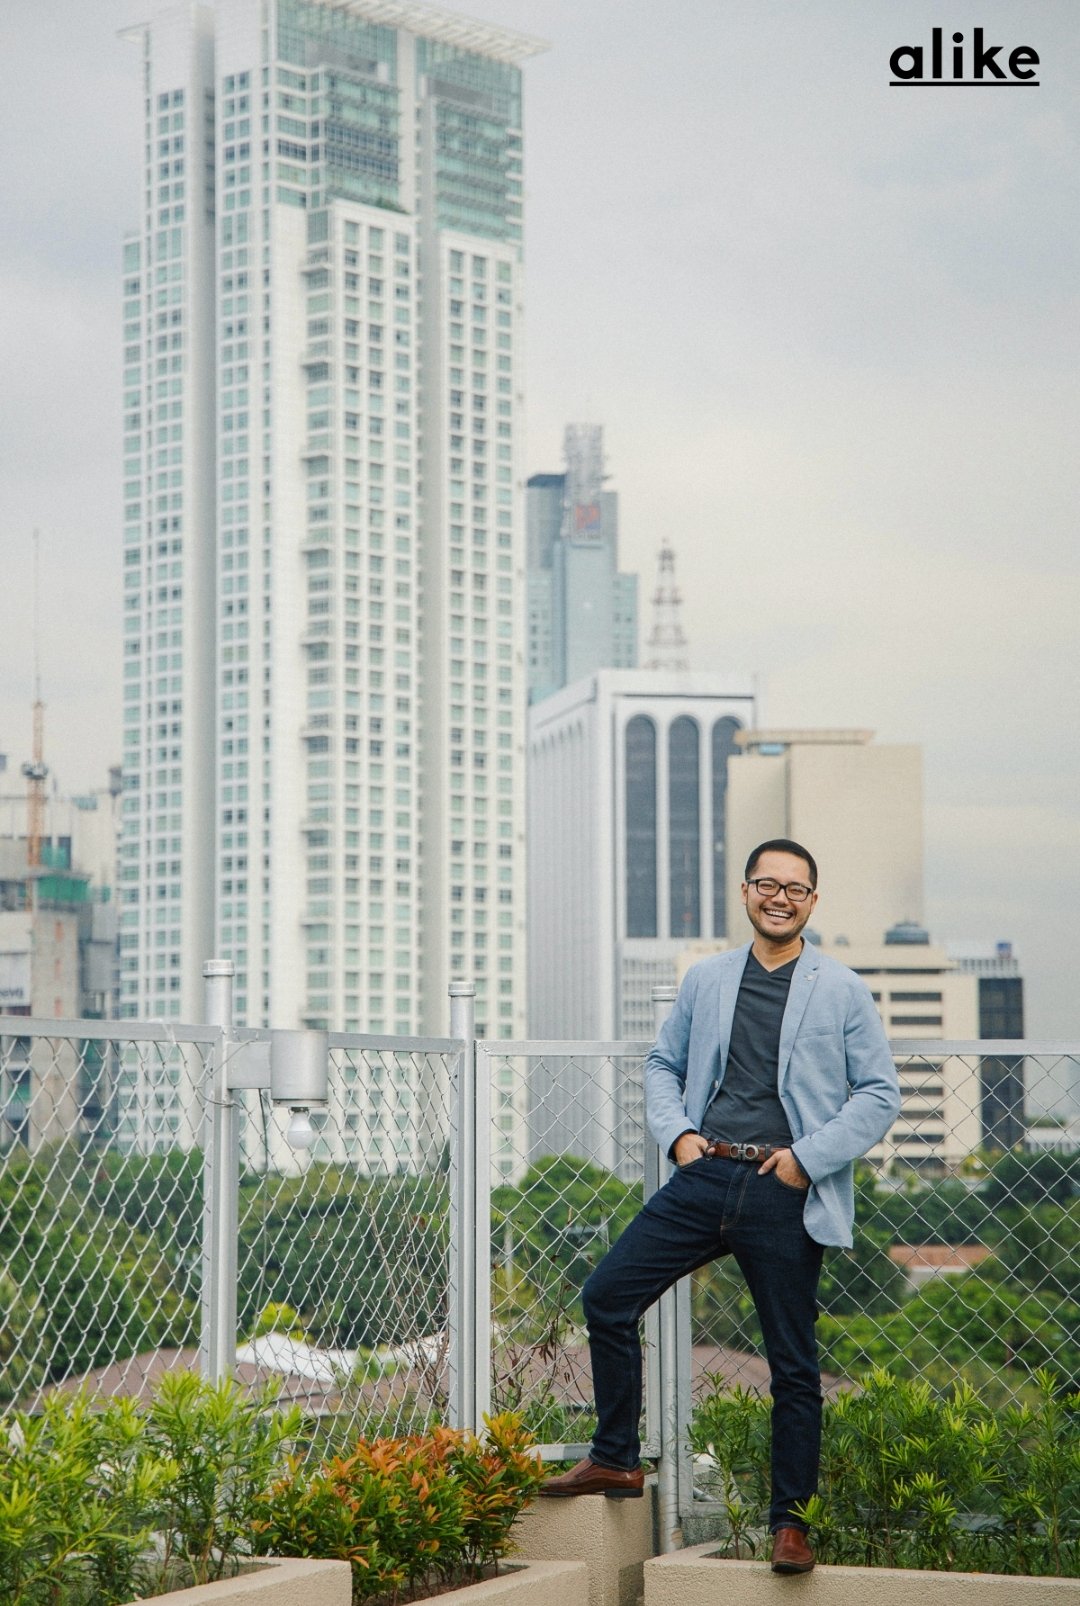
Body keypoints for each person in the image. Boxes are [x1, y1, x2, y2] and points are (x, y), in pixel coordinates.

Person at [540, 839, 901, 1574]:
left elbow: (879, 1093)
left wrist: (806, 1158)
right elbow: (663, 1063)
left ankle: (791, 1526)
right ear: (745, 892)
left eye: (795, 889)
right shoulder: (707, 978)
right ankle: (616, 1457)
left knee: (792, 1364)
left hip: (785, 1185)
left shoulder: (841, 988)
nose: (780, 897)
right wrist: (678, 1136)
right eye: (767, 884)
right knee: (607, 1296)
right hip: (705, 1174)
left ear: (812, 901)